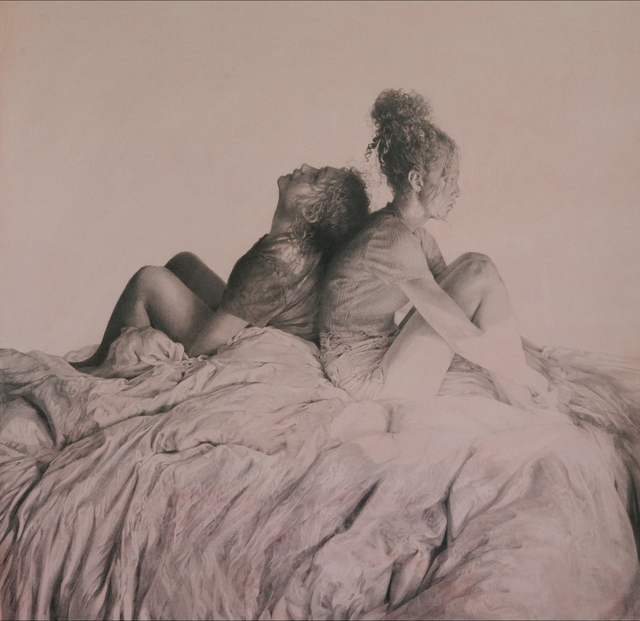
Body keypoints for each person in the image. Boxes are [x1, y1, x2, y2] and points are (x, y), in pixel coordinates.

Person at [319, 89, 555, 409]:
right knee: (477, 269)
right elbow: (455, 330)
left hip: (384, 352)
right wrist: (529, 376)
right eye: (450, 179)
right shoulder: (390, 239)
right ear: (417, 180)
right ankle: (526, 400)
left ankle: (522, 399)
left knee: (475, 265)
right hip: (367, 378)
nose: (457, 191)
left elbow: (460, 304)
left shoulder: (415, 235)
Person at [72, 164, 369, 369]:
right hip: (262, 324)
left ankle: (104, 364)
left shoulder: (276, 266)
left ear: (310, 212)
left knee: (149, 280)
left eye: (315, 177)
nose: (304, 167)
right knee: (184, 263)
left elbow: (203, 347)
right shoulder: (296, 247)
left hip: (250, 350)